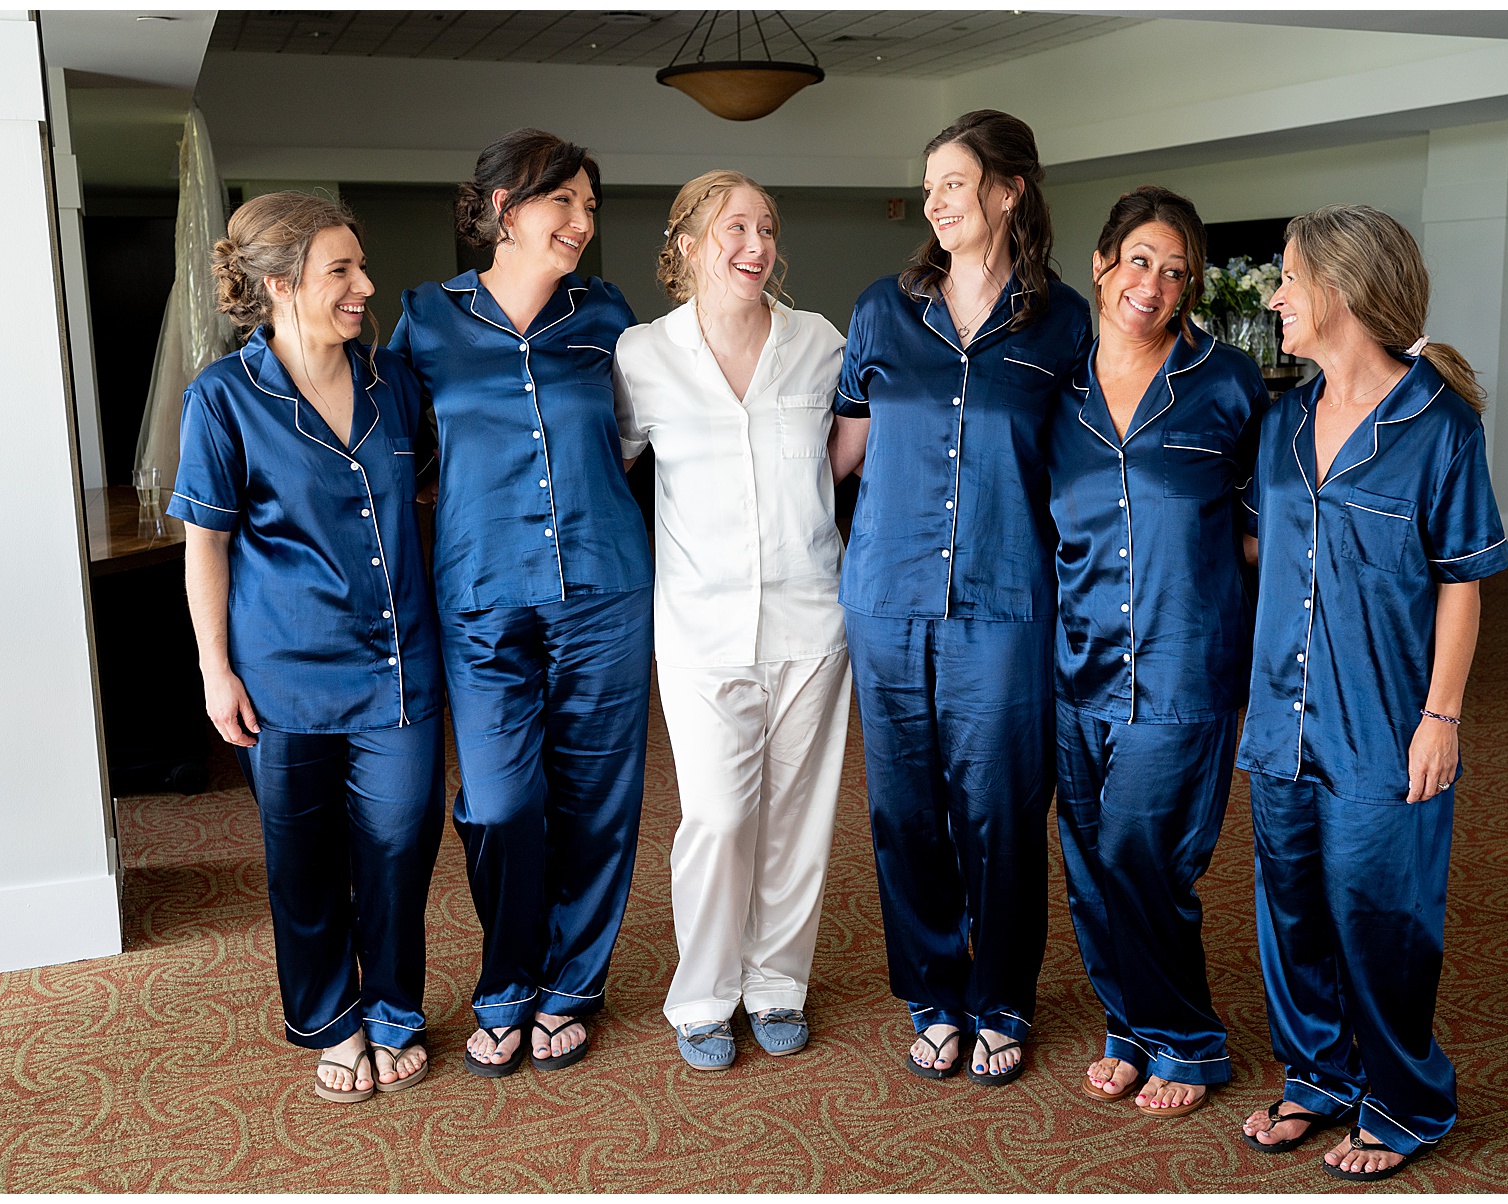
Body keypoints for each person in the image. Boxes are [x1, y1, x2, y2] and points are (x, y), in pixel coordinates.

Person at [1236, 204, 1508, 1181]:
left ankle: (1404, 1100)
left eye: (1287, 279)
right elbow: (1268, 555)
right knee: (1294, 907)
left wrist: (1442, 717)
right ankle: (1316, 1074)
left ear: (1340, 292)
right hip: (1280, 718)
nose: (1275, 297)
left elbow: (1461, 582)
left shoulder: (1438, 428)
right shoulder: (1283, 421)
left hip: (1385, 726)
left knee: (1381, 919)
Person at [832, 110, 1091, 1086]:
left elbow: (1081, 468)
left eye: (953, 181)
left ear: (1008, 190)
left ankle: (1003, 1000)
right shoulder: (881, 311)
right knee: (905, 808)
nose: (937, 200)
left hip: (1009, 596)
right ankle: (935, 995)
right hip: (887, 594)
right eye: (930, 185)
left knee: (1005, 808)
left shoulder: (1063, 322)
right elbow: (841, 450)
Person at [389, 129, 654, 1078]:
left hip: (606, 582)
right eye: (564, 204)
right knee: (502, 801)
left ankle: (571, 987)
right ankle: (506, 981)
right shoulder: (426, 319)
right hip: (482, 590)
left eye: (590, 206)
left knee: (596, 799)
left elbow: (633, 434)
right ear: (504, 210)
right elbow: (389, 448)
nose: (583, 223)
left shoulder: (607, 313)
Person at [170, 191, 444, 1103]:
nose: (367, 284)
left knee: (402, 843)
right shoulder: (223, 398)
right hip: (283, 671)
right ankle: (333, 1017)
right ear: (282, 285)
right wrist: (216, 670)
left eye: (360, 266)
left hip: (398, 660)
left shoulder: (394, 384)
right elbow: (205, 541)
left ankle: (394, 1007)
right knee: (303, 857)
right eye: (343, 270)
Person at [613, 171, 857, 1071]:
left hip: (809, 620)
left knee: (798, 817)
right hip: (700, 626)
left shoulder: (819, 344)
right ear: (684, 245)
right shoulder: (643, 355)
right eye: (734, 228)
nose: (756, 245)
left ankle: (778, 985)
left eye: (766, 227)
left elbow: (848, 450)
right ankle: (705, 995)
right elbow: (613, 465)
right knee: (717, 818)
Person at [1044, 187, 1267, 1119]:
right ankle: (1131, 1024)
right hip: (1077, 663)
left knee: (1145, 856)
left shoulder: (1227, 383)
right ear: (1101, 265)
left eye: (1177, 271)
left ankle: (1189, 1040)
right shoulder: (1054, 385)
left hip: (1184, 667)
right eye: (1140, 259)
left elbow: (1266, 534)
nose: (1156, 283)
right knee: (1091, 861)